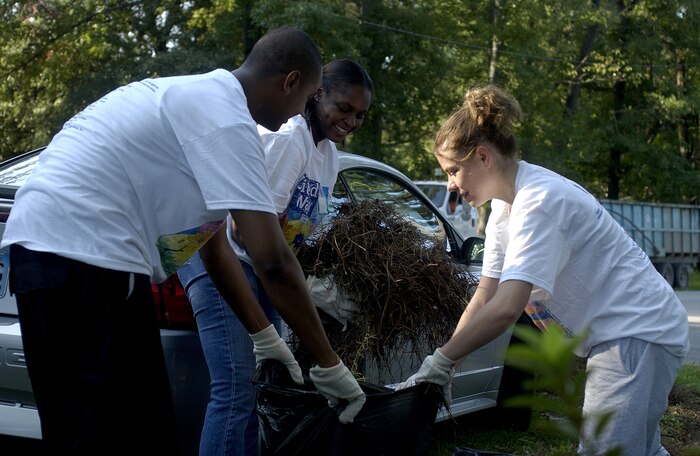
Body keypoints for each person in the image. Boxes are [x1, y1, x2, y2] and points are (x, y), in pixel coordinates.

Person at [2, 27, 365, 456]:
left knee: (105, 429)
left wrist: (264, 337)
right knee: (119, 434)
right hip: (88, 259)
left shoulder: (197, 100)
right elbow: (272, 261)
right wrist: (330, 365)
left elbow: (211, 247)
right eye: (304, 99)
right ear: (289, 82)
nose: (296, 114)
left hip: (45, 254)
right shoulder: (229, 120)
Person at [397, 84, 689, 456]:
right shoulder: (505, 210)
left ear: (483, 157)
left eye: (453, 171)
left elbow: (506, 308)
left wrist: (442, 360)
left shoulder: (539, 203)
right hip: (628, 335)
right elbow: (484, 297)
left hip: (636, 333)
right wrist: (446, 364)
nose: (452, 185)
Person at [177, 58, 373, 456]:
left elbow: (300, 230)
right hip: (223, 260)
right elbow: (241, 231)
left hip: (262, 269)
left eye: (360, 115)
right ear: (317, 94)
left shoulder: (328, 156)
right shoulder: (289, 138)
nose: (351, 121)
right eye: (344, 108)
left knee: (265, 386)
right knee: (236, 386)